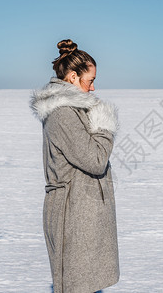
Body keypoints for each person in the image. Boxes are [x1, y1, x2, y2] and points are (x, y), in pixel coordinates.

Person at [30, 39, 120, 293]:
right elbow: (95, 159)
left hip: (82, 209)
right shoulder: (62, 113)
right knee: (75, 285)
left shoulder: (74, 109)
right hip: (71, 213)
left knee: (86, 284)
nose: (93, 88)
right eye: (89, 80)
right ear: (72, 77)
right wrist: (105, 126)